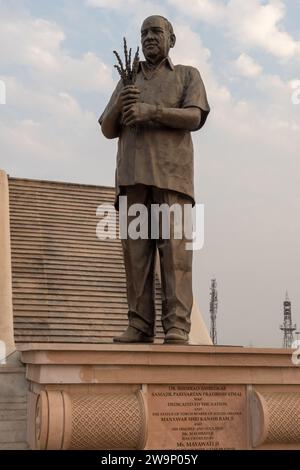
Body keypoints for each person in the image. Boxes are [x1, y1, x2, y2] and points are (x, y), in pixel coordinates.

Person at [99, 15, 210, 344]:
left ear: (171, 40)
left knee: (175, 253)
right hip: (132, 178)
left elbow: (194, 116)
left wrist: (152, 112)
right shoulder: (128, 78)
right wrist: (122, 101)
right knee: (135, 255)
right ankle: (139, 324)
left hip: (172, 177)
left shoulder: (188, 75)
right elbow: (107, 127)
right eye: (144, 32)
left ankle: (176, 325)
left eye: (156, 31)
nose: (149, 37)